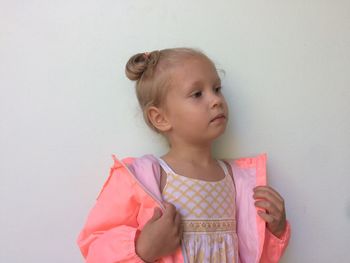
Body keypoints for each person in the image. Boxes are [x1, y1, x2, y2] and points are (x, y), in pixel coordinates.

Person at [77, 48, 291, 262]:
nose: (216, 100)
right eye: (197, 94)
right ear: (160, 118)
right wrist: (142, 249)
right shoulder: (140, 179)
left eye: (217, 89)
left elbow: (254, 254)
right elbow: (95, 245)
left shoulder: (237, 180)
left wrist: (274, 231)